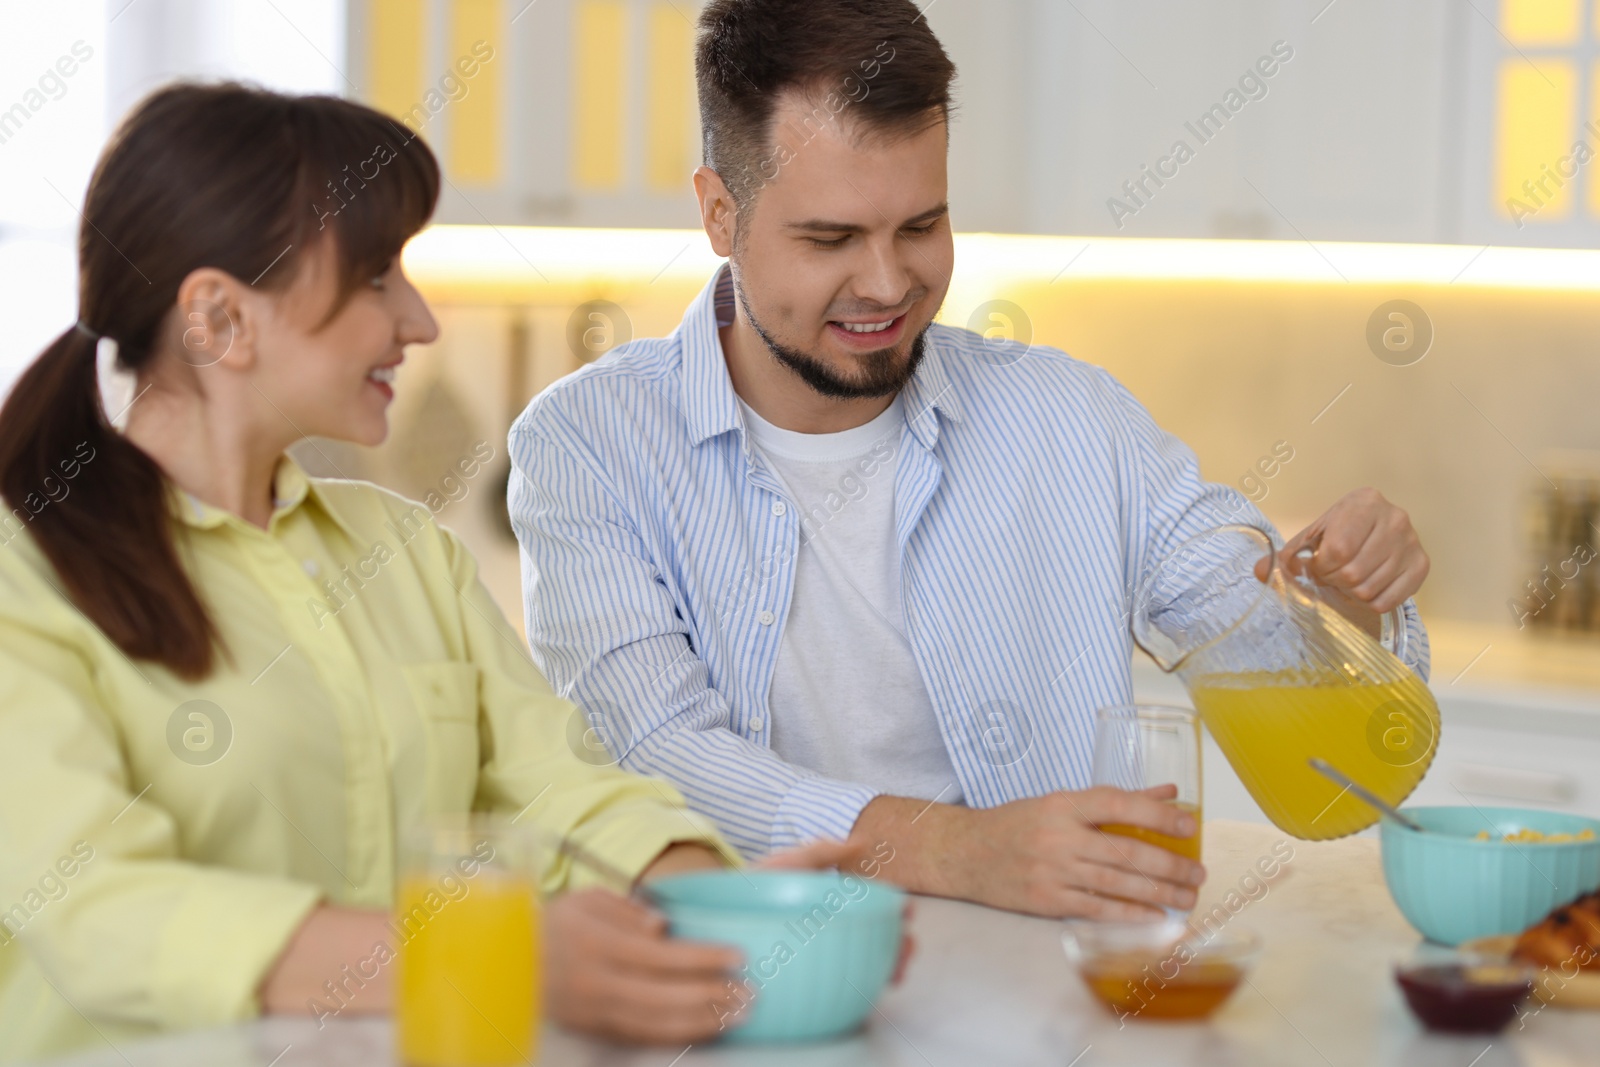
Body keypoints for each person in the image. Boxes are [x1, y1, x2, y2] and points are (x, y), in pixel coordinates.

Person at [509, 0, 1432, 920]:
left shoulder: (1071, 419)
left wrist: (1347, 608)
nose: (886, 283)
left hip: (1054, 1010)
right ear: (719, 213)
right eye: (830, 239)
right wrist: (958, 848)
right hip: (760, 1011)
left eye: (921, 226)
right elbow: (655, 754)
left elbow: (1327, 762)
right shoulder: (589, 444)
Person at [0, 83, 787, 1062]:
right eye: (375, 277)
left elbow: (563, 788)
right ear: (218, 318)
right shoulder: (20, 577)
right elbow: (96, 906)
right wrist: (495, 954)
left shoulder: (408, 554)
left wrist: (729, 904)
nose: (417, 320)